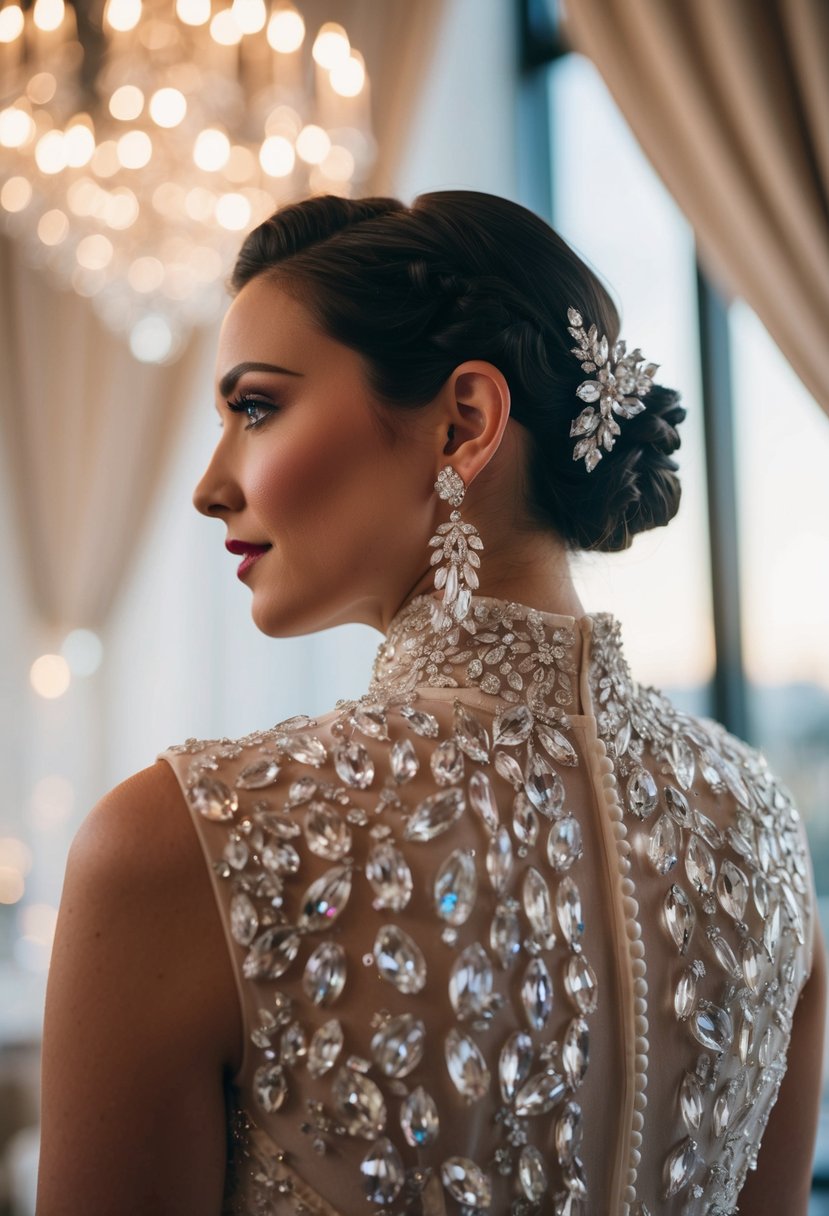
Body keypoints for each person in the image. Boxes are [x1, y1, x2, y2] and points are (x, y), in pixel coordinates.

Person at [37, 192, 825, 1216]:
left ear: (464, 422)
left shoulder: (176, 844)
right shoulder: (761, 829)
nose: (210, 485)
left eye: (256, 407)